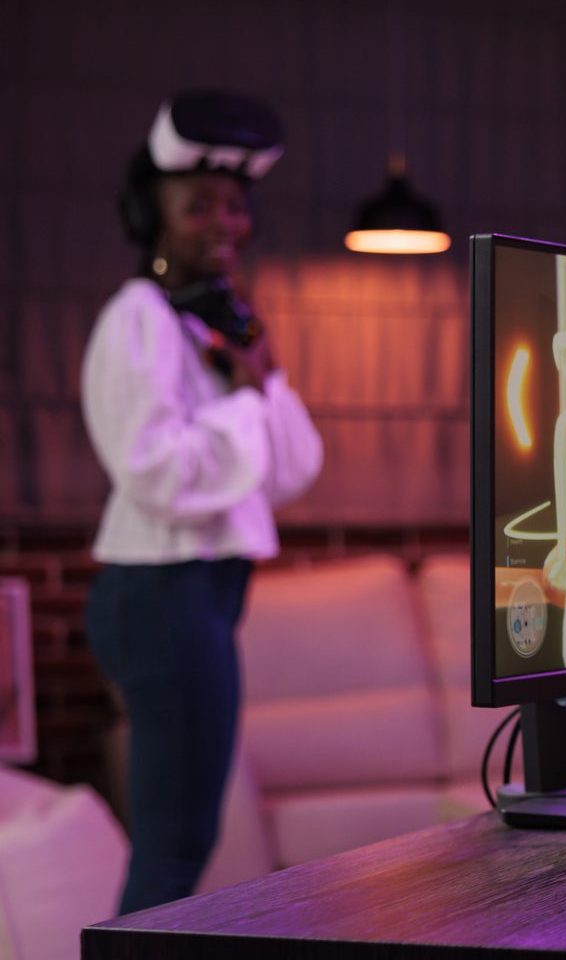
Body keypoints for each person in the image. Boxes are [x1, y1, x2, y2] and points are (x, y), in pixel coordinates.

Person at [82, 91, 324, 913]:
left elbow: (292, 468)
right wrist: (247, 402)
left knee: (187, 839)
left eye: (235, 205)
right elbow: (156, 471)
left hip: (203, 591)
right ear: (154, 216)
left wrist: (261, 376)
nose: (225, 223)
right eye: (200, 208)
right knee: (175, 844)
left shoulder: (211, 325)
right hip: (159, 592)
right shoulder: (137, 321)